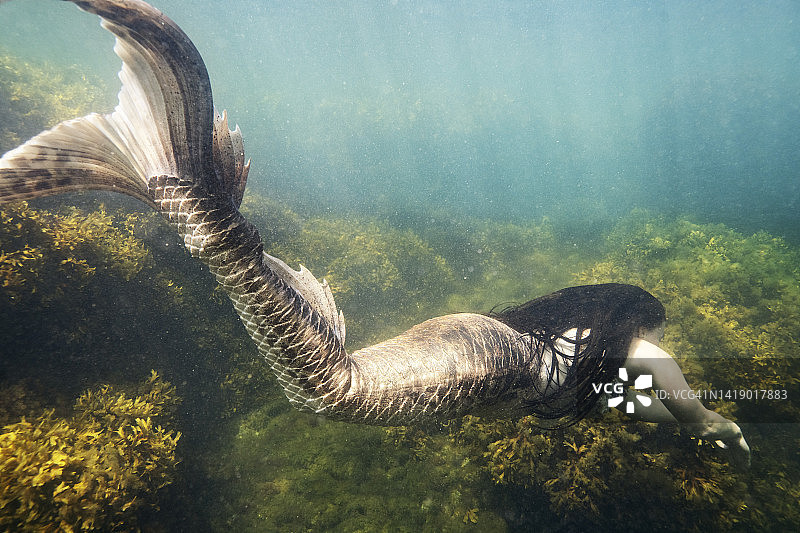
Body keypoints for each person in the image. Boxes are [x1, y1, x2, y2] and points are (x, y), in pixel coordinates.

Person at [492, 283, 751, 466]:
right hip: (492, 369)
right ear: (640, 329)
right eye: (659, 336)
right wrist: (733, 432)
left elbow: (630, 403)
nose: (658, 345)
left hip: (485, 346)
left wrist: (686, 415)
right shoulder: (636, 350)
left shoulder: (590, 359)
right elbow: (703, 425)